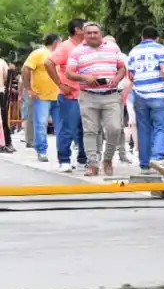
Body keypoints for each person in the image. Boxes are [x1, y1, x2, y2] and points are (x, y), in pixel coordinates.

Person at [65, 23, 127, 177]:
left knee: (115, 129)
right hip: (88, 96)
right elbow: (69, 73)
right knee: (90, 131)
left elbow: (122, 68)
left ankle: (107, 159)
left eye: (95, 32)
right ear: (84, 35)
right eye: (89, 33)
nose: (92, 35)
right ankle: (92, 164)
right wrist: (85, 77)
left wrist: (117, 79)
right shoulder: (77, 51)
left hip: (111, 95)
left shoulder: (113, 48)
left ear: (101, 33)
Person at [127, 27, 164, 176]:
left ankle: (144, 164)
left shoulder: (134, 51)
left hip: (140, 95)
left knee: (144, 129)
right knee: (161, 127)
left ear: (142, 37)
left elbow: (131, 75)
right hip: (159, 94)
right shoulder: (160, 49)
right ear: (157, 37)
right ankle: (157, 158)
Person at [51, 18, 88, 172]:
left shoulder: (86, 46)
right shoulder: (65, 47)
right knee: (68, 128)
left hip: (87, 94)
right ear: (78, 30)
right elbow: (49, 63)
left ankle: (83, 159)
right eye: (86, 27)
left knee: (86, 129)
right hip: (70, 95)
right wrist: (60, 84)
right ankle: (64, 160)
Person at [20, 34, 62, 162]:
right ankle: (42, 151)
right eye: (60, 42)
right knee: (41, 124)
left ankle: (63, 151)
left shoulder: (59, 54)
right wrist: (28, 89)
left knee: (61, 125)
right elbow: (25, 69)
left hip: (59, 95)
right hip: (42, 95)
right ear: (55, 42)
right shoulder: (38, 53)